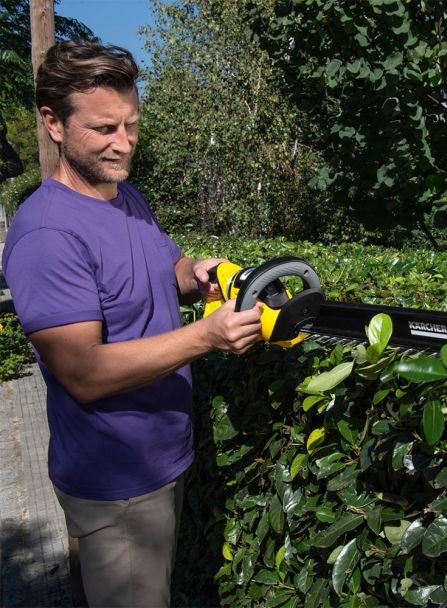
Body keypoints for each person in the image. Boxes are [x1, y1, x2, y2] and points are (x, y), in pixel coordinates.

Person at [1, 39, 262, 608]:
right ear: (53, 123)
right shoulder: (47, 235)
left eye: (132, 124)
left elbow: (167, 267)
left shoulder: (124, 196)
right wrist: (207, 335)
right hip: (115, 484)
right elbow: (84, 373)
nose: (124, 142)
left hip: (162, 458)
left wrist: (197, 272)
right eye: (104, 128)